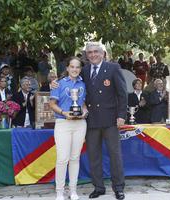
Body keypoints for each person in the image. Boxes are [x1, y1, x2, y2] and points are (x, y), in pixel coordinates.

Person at [52, 42, 127, 200]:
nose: (92, 54)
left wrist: (121, 115)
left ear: (102, 53)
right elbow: (70, 79)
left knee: (115, 154)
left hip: (110, 119)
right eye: (89, 52)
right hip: (90, 120)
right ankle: (98, 187)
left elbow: (122, 94)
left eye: (95, 52)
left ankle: (118, 188)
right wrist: (54, 82)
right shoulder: (84, 70)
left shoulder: (113, 68)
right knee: (94, 155)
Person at [49, 57, 88, 200]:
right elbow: (52, 104)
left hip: (79, 124)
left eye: (77, 67)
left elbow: (83, 104)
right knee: (62, 159)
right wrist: (64, 113)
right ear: (67, 68)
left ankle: (73, 191)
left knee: (75, 158)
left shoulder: (83, 84)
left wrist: (85, 111)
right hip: (63, 123)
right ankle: (59, 192)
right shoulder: (58, 84)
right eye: (72, 67)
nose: (75, 69)